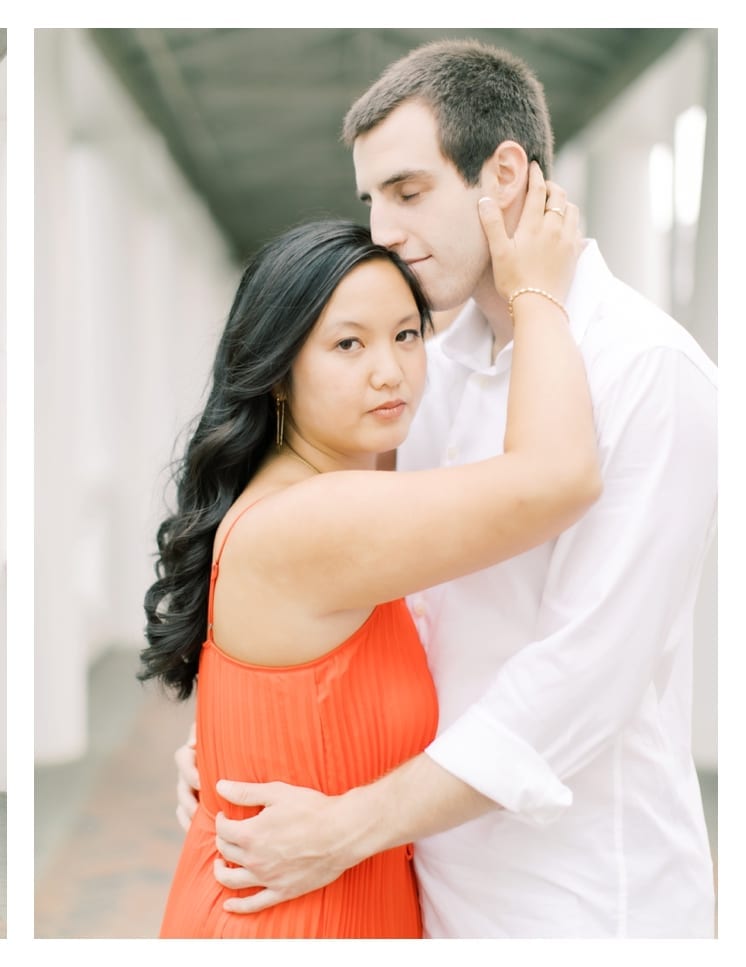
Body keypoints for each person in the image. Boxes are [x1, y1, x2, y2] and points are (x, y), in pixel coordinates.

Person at [173, 39, 719, 937]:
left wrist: (347, 827)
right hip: (412, 872)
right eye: (372, 199)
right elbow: (374, 593)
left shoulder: (650, 372)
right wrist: (238, 735)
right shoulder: (427, 365)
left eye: (408, 191)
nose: (383, 229)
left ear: (503, 174)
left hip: (574, 898)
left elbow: (581, 678)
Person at [144, 154, 595, 935]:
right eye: (348, 346)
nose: (392, 372)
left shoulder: (300, 501)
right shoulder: (317, 520)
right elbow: (557, 478)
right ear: (279, 373)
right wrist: (537, 294)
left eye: (407, 335)